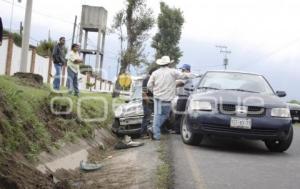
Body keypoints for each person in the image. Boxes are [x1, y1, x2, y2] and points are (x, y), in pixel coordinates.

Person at [147, 56, 191, 140]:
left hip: (157, 98)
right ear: (168, 63)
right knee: (165, 115)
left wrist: (154, 92)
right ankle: (155, 133)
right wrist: (193, 75)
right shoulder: (172, 72)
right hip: (166, 98)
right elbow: (183, 76)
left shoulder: (155, 73)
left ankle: (154, 131)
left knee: (157, 115)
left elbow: (149, 85)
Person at [172, 64, 194, 134]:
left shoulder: (186, 76)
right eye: (182, 69)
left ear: (187, 70)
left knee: (179, 113)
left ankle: (177, 130)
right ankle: (179, 129)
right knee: (180, 113)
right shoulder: (187, 76)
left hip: (184, 97)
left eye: (183, 70)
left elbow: (179, 83)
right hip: (183, 97)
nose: (182, 71)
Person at [140, 67, 157, 138]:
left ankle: (149, 132)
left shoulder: (152, 79)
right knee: (147, 117)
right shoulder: (146, 79)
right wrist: (147, 100)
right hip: (147, 101)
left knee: (152, 117)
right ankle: (143, 134)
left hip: (153, 100)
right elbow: (144, 92)